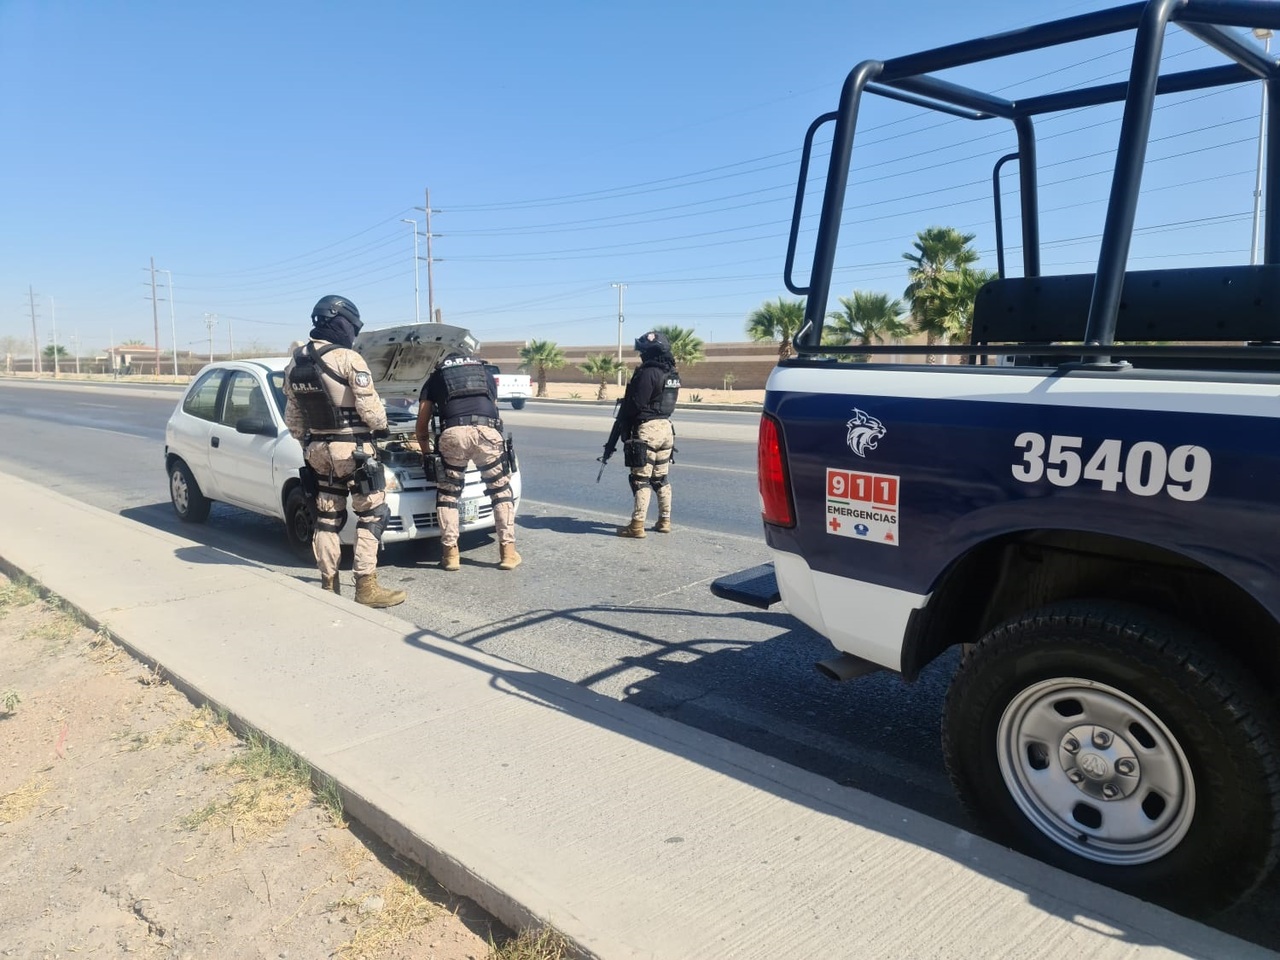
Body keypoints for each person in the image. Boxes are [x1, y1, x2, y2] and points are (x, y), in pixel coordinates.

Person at [283, 295, 407, 608]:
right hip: (353, 451)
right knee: (373, 514)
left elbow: (293, 418)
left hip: (318, 451)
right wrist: (381, 428)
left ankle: (328, 584)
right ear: (341, 323)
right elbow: (371, 412)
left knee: (326, 518)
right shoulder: (349, 358)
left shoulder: (295, 362)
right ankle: (366, 587)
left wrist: (311, 443)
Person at [415, 352, 520, 571]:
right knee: (501, 490)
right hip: (486, 432)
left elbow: (422, 424)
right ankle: (508, 554)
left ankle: (451, 555)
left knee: (448, 494)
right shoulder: (485, 373)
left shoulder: (436, 377)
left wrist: (426, 454)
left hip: (454, 433)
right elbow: (494, 409)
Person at [604, 330, 681, 538]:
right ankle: (664, 520)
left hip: (647, 430)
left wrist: (625, 420)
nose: (641, 355)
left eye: (643, 352)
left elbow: (636, 404)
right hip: (666, 428)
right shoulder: (672, 373)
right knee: (660, 478)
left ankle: (637, 525)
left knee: (641, 479)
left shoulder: (648, 372)